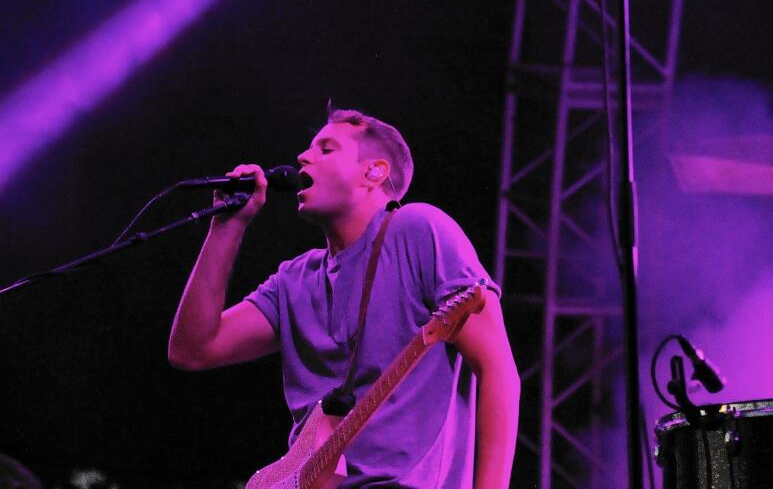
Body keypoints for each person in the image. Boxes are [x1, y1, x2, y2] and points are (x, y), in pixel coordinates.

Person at [168, 108, 520, 488]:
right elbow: (193, 349)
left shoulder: (419, 229)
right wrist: (226, 226)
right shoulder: (295, 280)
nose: (303, 156)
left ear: (374, 172)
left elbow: (498, 370)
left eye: (326, 148)